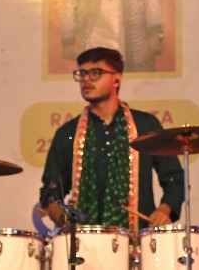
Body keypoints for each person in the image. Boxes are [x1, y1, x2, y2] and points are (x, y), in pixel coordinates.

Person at [40, 47, 183, 234]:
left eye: (95, 73)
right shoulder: (67, 133)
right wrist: (68, 223)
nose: (86, 79)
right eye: (82, 73)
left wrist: (164, 210)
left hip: (138, 241)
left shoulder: (145, 125)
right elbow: (51, 196)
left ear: (117, 78)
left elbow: (175, 180)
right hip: (84, 243)